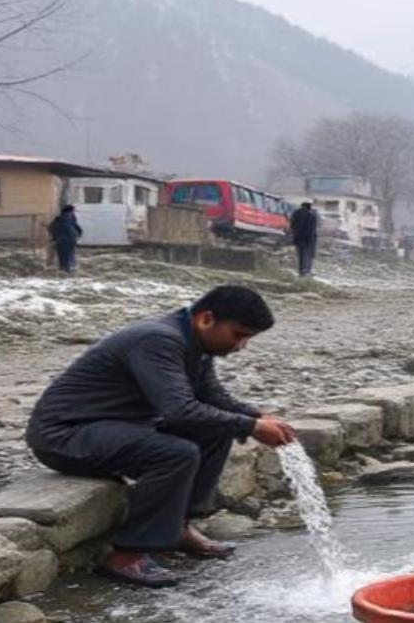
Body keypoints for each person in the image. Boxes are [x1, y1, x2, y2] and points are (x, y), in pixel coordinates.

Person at [24, 285, 297, 588]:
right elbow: (179, 411)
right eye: (238, 335)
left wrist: (256, 416)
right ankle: (127, 556)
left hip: (118, 426)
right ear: (207, 318)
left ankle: (178, 527)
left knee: (216, 432)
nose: (241, 345)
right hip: (65, 434)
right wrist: (251, 427)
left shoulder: (194, 341)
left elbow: (210, 395)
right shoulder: (157, 339)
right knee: (175, 453)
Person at [47, 205, 84, 274]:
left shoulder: (59, 219)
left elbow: (50, 228)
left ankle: (65, 268)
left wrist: (54, 237)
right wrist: (77, 235)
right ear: (69, 211)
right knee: (67, 254)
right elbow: (74, 228)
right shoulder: (68, 219)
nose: (73, 212)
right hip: (67, 239)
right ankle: (67, 269)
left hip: (62, 239)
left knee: (63, 255)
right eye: (72, 211)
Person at [289, 201, 319, 277]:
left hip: (298, 239)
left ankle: (300, 271)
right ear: (309, 207)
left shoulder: (295, 214)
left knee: (300, 256)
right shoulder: (311, 216)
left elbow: (292, 226)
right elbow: (312, 230)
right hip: (308, 240)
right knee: (307, 256)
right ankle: (305, 272)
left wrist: (294, 236)